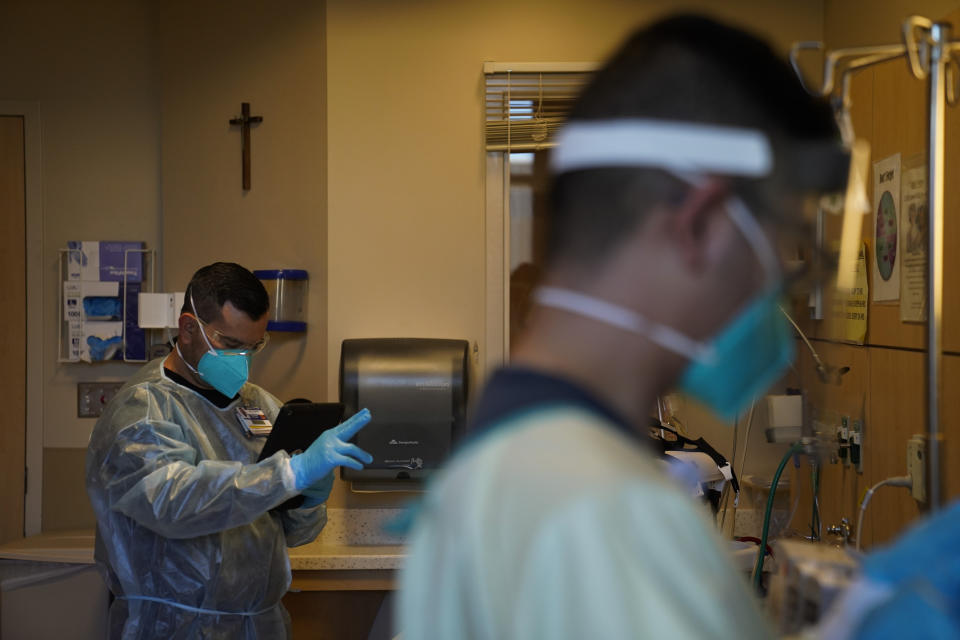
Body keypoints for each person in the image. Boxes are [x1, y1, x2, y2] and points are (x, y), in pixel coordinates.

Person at [397, 15, 960, 639]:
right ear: (702, 225)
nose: (781, 287)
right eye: (783, 247)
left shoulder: (508, 464)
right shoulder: (602, 514)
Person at [87, 262, 373, 639]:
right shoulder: (141, 410)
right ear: (188, 328)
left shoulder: (260, 406)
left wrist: (304, 498)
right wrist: (289, 474)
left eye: (254, 346)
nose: (243, 360)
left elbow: (284, 533)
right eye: (230, 344)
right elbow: (175, 502)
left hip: (260, 624)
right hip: (173, 627)